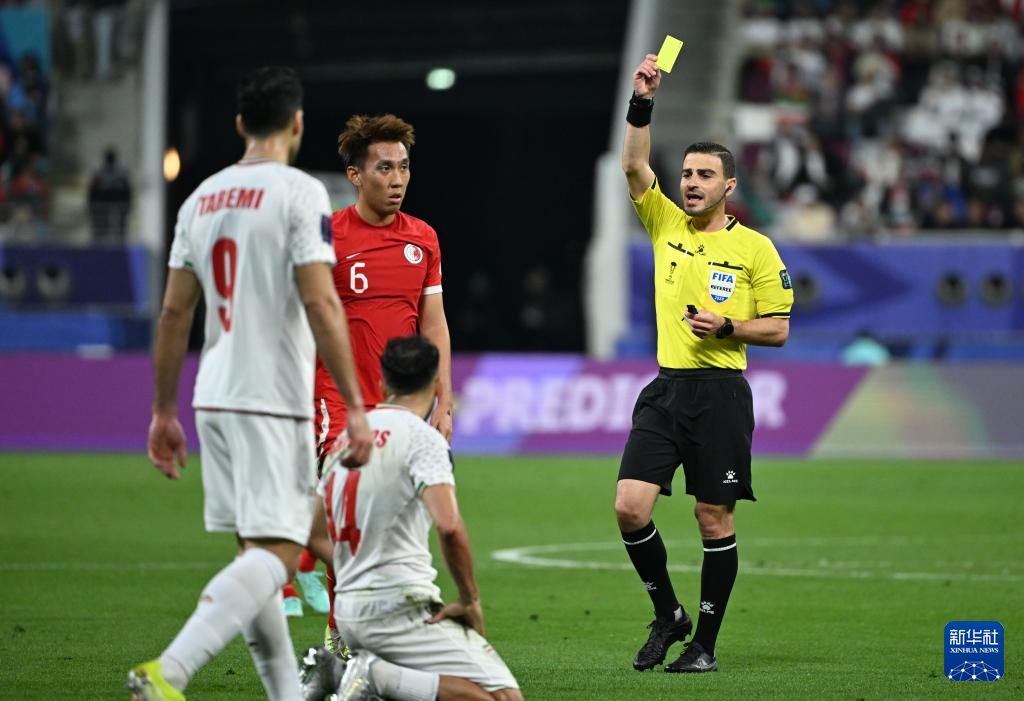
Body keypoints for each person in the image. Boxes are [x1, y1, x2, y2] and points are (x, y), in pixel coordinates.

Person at [128, 65, 373, 701]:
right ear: (297, 124)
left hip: (212, 396)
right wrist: (354, 403)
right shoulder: (300, 193)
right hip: (272, 399)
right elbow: (320, 302)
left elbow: (174, 313)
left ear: (240, 124)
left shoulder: (200, 199)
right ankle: (169, 671)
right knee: (280, 554)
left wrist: (162, 411)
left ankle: (286, 696)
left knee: (259, 554)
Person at [615, 54, 793, 674]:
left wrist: (729, 327)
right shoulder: (664, 221)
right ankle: (668, 614)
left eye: (704, 175)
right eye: (687, 173)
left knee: (712, 518)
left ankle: (705, 647)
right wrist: (643, 100)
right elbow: (634, 164)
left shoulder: (755, 248)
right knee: (629, 506)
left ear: (728, 186)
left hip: (720, 394)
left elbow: (779, 328)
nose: (691, 183)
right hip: (666, 390)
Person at [297, 113, 453, 645]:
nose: (397, 179)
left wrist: (443, 402)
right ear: (355, 175)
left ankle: (372, 626)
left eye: (404, 167)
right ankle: (343, 632)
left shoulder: (423, 239)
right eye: (384, 168)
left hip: (405, 408)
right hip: (338, 402)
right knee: (347, 520)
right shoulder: (327, 235)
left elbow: (434, 326)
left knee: (395, 522)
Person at [300, 335, 521, 701]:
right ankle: (372, 677)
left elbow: (312, 532)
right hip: (399, 607)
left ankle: (341, 671)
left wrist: (357, 569)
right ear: (436, 384)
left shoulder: (347, 440)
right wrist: (469, 599)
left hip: (349, 611)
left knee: (429, 685)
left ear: (382, 383)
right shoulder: (424, 440)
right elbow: (449, 526)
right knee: (504, 697)